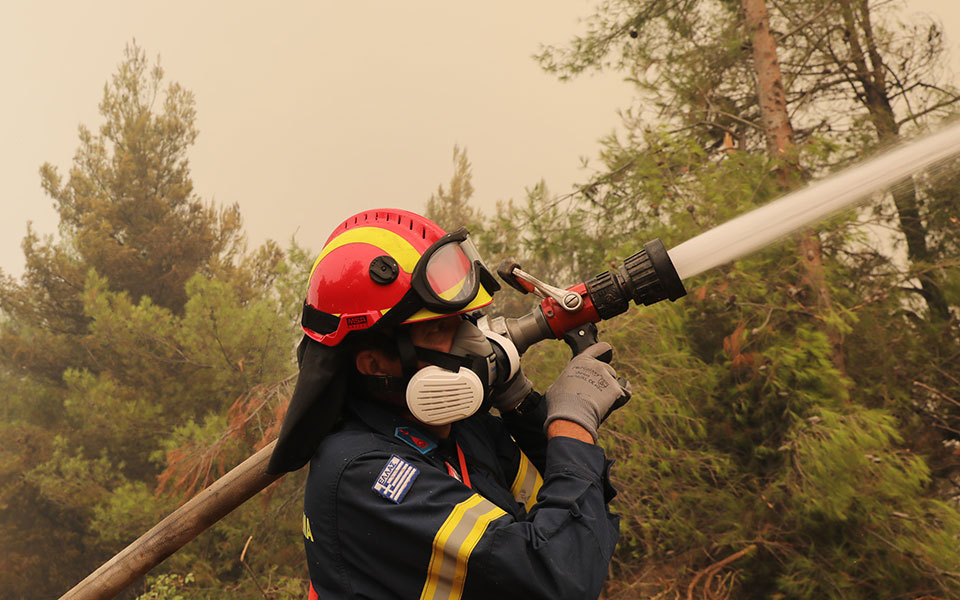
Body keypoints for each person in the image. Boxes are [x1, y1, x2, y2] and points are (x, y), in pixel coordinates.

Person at [267, 208, 631, 600]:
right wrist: (572, 425)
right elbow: (562, 578)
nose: (475, 345)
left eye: (466, 321)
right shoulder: (363, 476)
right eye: (441, 328)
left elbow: (581, 517)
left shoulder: (461, 431)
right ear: (375, 364)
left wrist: (522, 404)